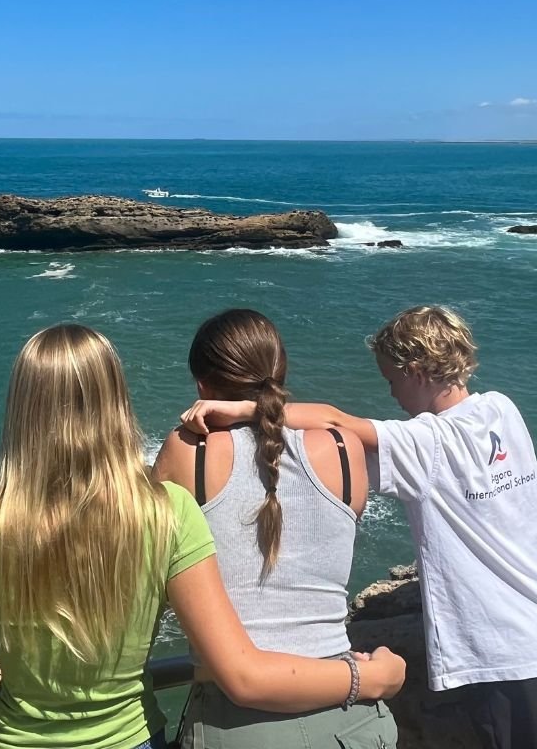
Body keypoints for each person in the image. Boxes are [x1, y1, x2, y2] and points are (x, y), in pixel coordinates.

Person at [0, 324, 405, 749]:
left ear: (21, 407)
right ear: (117, 400)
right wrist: (370, 678)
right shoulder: (167, 512)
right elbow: (238, 665)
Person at [180, 306, 537, 749]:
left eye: (391, 380)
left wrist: (245, 411)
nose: (391, 394)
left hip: (502, 653)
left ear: (418, 371)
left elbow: (335, 422)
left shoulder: (426, 444)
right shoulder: (503, 410)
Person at [152, 309, 398, 749]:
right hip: (351, 714)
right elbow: (333, 420)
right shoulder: (345, 451)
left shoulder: (189, 452)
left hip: (237, 724)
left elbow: (152, 568)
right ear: (280, 372)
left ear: (202, 387)